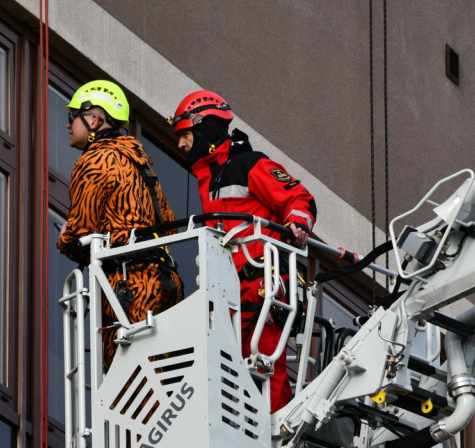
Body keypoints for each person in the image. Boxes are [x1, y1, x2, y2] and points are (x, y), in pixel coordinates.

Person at [167, 90, 317, 412]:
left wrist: (297, 224)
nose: (180, 145)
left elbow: (299, 199)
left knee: (265, 371)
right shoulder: (207, 182)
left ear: (203, 126)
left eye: (185, 135)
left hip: (261, 287)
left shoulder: (249, 165)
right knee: (228, 375)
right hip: (230, 293)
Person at [56, 80, 183, 370]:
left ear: (93, 119)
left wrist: (64, 239)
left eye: (71, 116)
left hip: (129, 285)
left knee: (129, 381)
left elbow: (80, 229)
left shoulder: (95, 160)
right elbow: (170, 227)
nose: (67, 125)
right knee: (162, 375)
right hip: (166, 281)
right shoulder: (141, 162)